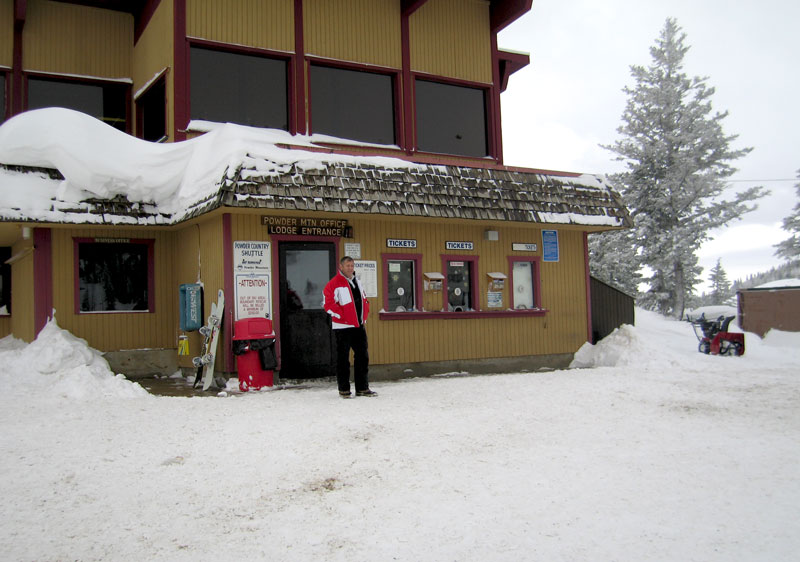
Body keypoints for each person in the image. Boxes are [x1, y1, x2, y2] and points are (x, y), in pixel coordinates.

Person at [322, 256, 377, 398]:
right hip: (342, 328)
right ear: (341, 267)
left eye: (352, 265)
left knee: (362, 356)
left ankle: (362, 388)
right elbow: (328, 304)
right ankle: (344, 389)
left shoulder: (357, 281)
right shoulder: (334, 284)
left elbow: (363, 300)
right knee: (343, 359)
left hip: (358, 325)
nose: (350, 268)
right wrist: (342, 316)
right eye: (347, 265)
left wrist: (364, 314)